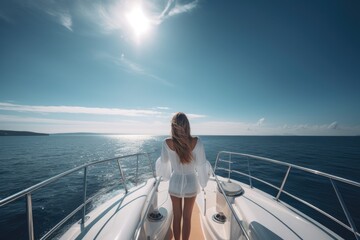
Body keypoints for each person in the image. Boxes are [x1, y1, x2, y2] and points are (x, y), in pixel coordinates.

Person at [156, 112, 211, 240]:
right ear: (187, 125)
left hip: (175, 182)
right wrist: (203, 182)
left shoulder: (167, 142)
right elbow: (201, 165)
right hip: (191, 182)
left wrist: (166, 176)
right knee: (187, 218)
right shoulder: (196, 142)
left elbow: (164, 163)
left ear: (173, 126)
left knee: (177, 216)